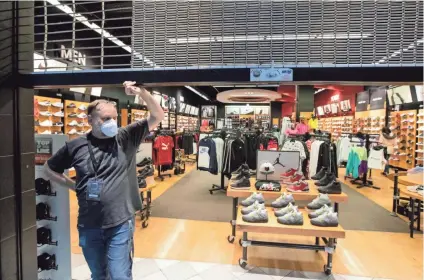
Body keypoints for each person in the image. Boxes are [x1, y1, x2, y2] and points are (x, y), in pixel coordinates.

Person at [43, 81, 164, 280]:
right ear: (90, 119)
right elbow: (49, 170)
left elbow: (157, 115)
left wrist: (142, 92)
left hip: (120, 222)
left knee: (119, 274)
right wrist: (74, 186)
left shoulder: (125, 137)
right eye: (106, 118)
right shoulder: (76, 146)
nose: (112, 123)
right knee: (98, 274)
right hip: (89, 224)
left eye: (115, 118)